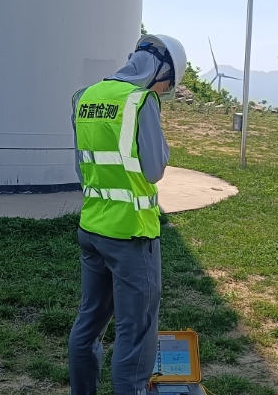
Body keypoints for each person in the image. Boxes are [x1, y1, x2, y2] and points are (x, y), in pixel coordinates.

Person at [68, 34, 187, 395]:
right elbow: (153, 170)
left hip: (92, 228)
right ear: (159, 70)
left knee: (89, 323)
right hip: (132, 236)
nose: (165, 90)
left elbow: (81, 167)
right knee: (135, 334)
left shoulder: (85, 97)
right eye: (168, 84)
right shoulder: (141, 101)